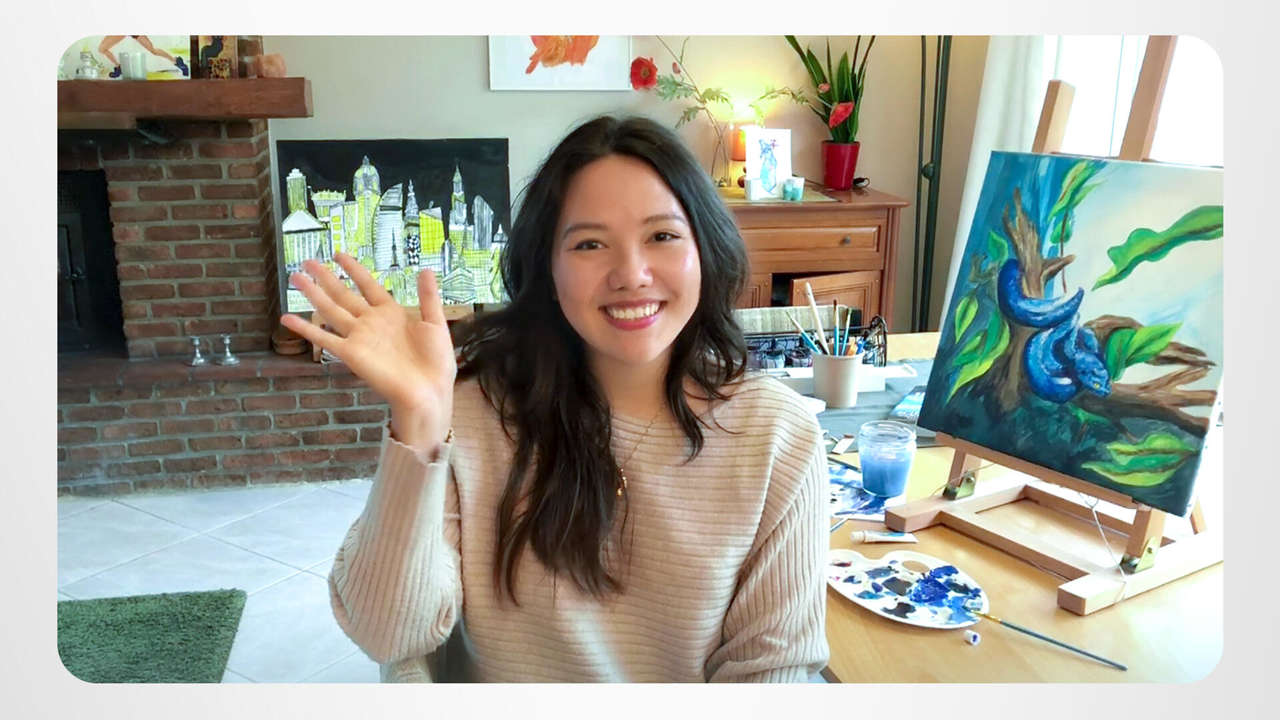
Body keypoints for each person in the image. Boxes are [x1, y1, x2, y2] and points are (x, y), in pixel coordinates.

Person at [281, 115, 829, 682]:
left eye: (662, 236)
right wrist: (419, 422)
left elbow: (772, 670)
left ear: (705, 248)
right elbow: (389, 635)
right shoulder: (471, 408)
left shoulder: (777, 436)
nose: (631, 274)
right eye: (590, 243)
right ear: (547, 266)